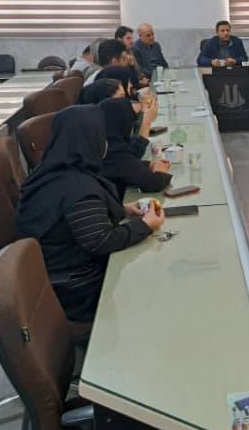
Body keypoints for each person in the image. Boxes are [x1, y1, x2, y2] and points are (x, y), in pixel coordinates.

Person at [16, 105, 165, 322]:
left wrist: (124, 209)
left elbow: (71, 219)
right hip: (79, 291)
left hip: (57, 275)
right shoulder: (78, 188)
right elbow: (101, 241)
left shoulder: (52, 170)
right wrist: (146, 225)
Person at [99, 97, 172, 197]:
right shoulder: (114, 151)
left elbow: (130, 157)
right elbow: (153, 183)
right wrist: (160, 171)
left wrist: (147, 165)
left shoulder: (104, 141)